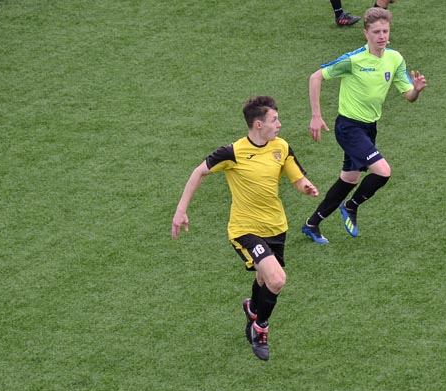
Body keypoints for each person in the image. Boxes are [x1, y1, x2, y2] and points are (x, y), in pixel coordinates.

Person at [172, 96, 320, 361]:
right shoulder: (233, 152)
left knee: (264, 280)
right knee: (277, 279)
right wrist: (181, 210)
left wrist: (305, 187)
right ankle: (260, 327)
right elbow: (199, 172)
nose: (280, 124)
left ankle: (253, 307)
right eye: (275, 120)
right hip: (245, 230)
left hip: (276, 227)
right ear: (258, 124)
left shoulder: (281, 148)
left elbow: (297, 177)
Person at [302, 7, 426, 244]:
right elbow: (315, 77)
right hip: (349, 128)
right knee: (383, 171)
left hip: (369, 128)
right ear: (365, 33)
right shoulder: (354, 60)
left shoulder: (394, 58)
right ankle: (351, 206)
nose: (382, 36)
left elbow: (407, 95)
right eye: (377, 32)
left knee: (349, 179)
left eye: (385, 31)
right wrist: (316, 116)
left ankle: (312, 224)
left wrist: (416, 91)